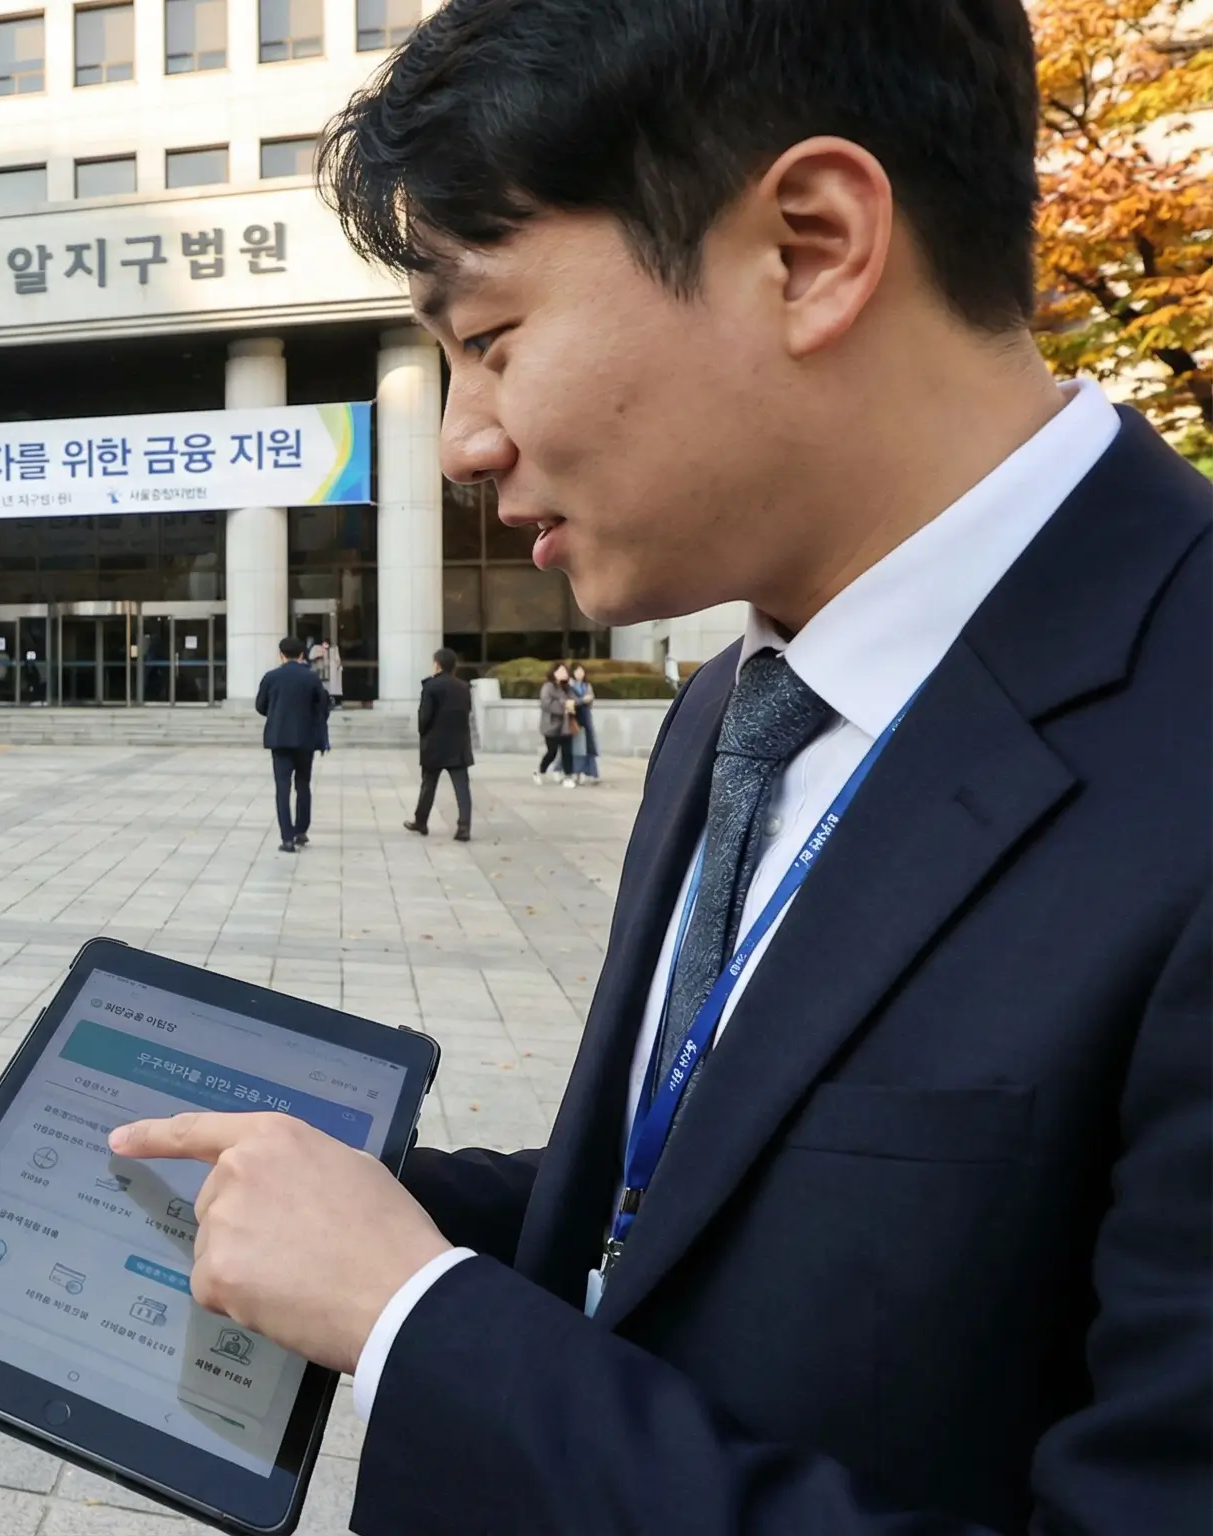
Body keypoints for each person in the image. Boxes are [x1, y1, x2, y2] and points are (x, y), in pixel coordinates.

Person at [108, 3, 1209, 1532]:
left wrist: (417, 1318)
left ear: (812, 248)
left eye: (488, 340)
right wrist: (369, 1200)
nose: (461, 441)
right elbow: (697, 1189)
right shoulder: (738, 709)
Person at [254, 637, 332, 852]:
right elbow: (322, 706)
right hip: (305, 739)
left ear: (281, 655)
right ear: (301, 655)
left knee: (282, 788)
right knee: (303, 785)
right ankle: (301, 830)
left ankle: (286, 837)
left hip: (279, 739)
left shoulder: (271, 677)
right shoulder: (311, 678)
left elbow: (260, 706)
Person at [403, 647, 473, 842]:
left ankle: (421, 821)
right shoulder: (463, 687)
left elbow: (424, 717)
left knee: (429, 785)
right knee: (462, 787)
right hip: (459, 743)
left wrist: (423, 732)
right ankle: (464, 827)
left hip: (435, 743)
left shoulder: (431, 687)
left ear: (438, 664)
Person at [534, 660, 576, 784]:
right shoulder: (548, 687)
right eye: (561, 671)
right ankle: (541, 771)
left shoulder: (568, 687)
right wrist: (564, 706)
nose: (564, 673)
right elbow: (546, 704)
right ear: (554, 673)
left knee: (567, 752)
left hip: (566, 726)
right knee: (552, 752)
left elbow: (575, 700)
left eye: (565, 671)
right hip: (551, 725)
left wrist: (575, 703)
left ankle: (568, 776)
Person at [570, 660, 602, 783]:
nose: (580, 674)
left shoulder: (586, 686)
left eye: (581, 671)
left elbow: (590, 699)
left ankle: (591, 772)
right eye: (577, 671)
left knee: (589, 745)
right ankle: (574, 771)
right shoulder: (570, 686)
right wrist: (583, 700)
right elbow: (572, 701)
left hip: (586, 718)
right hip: (575, 718)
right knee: (577, 747)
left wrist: (587, 699)